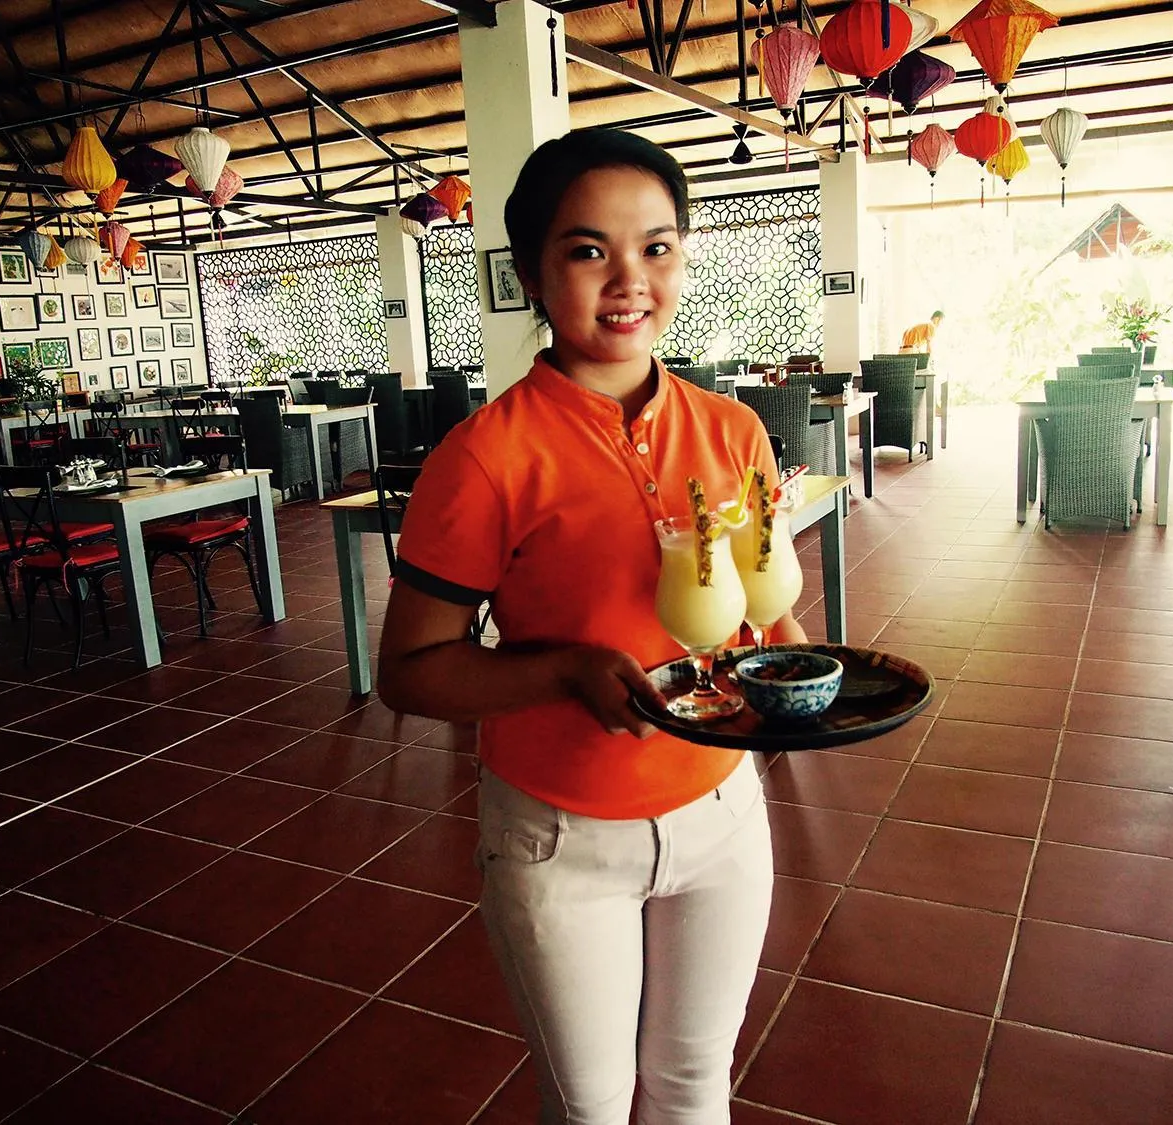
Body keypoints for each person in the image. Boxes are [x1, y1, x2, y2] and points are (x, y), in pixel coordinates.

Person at [377, 127, 804, 1125]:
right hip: (561, 839)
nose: (629, 281)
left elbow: (770, 610)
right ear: (531, 269)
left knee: (698, 1087)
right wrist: (562, 668)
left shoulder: (732, 431)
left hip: (721, 816)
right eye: (587, 250)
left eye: (657, 247)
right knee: (594, 1108)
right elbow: (409, 672)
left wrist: (797, 674)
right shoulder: (485, 458)